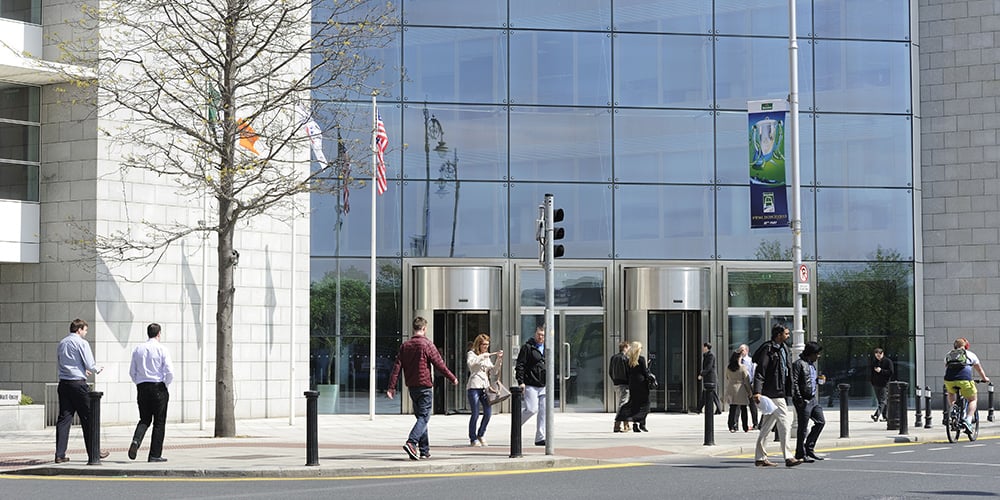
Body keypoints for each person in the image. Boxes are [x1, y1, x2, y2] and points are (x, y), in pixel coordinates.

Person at [387, 316, 459, 460]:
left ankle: (424, 451)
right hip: (425, 385)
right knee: (424, 417)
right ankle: (412, 442)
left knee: (421, 417)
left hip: (412, 387)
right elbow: (440, 364)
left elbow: (397, 367)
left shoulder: (405, 346)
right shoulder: (427, 345)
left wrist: (391, 387)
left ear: (414, 328)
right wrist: (452, 378)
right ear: (424, 329)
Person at [54, 318, 109, 463]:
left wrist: (81, 370)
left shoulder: (62, 343)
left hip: (64, 383)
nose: (85, 333)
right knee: (88, 418)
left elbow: (63, 363)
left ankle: (60, 454)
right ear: (79, 330)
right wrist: (97, 369)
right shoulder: (82, 343)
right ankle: (94, 452)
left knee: (64, 419)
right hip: (78, 385)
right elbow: (90, 363)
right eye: (85, 330)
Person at [751, 324, 800, 468]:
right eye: (786, 333)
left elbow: (786, 370)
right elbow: (761, 371)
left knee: (766, 426)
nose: (788, 335)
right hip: (773, 392)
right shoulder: (769, 349)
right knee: (785, 422)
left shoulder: (783, 348)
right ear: (778, 335)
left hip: (779, 391)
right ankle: (789, 457)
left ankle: (760, 458)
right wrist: (757, 391)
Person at [128, 323, 175, 463]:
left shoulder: (138, 349)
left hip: (142, 387)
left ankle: (136, 440)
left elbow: (132, 372)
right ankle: (154, 454)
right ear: (159, 333)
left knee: (144, 419)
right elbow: (169, 371)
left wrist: (139, 383)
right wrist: (165, 385)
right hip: (158, 386)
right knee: (159, 422)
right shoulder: (162, 349)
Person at [944, 337, 990, 432]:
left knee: (951, 393)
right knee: (972, 399)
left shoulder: (949, 355)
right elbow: (979, 369)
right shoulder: (970, 355)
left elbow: (946, 366)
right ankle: (968, 420)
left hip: (949, 380)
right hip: (964, 380)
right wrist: (984, 379)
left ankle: (953, 409)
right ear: (966, 346)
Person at [791, 341, 826, 463]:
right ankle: (800, 453)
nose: (818, 356)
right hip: (804, 400)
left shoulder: (812, 365)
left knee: (820, 421)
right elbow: (794, 382)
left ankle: (809, 448)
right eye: (817, 354)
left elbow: (809, 380)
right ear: (811, 353)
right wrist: (799, 398)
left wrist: (818, 380)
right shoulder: (799, 364)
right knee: (803, 428)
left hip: (812, 399)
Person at [466, 333, 502, 447]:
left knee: (488, 412)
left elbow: (494, 371)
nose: (486, 347)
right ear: (479, 345)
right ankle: (473, 438)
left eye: (487, 344)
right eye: (484, 344)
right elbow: (471, 365)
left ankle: (481, 434)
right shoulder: (472, 354)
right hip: (474, 386)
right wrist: (482, 356)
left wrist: (498, 360)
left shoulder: (487, 356)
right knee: (475, 413)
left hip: (485, 387)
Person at [515, 325, 547, 446]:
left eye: (543, 335)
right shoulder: (527, 347)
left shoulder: (547, 348)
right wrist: (521, 381)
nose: (541, 337)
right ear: (535, 334)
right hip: (531, 384)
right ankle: (516, 425)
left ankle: (540, 437)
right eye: (539, 334)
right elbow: (520, 365)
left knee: (543, 411)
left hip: (543, 384)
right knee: (532, 409)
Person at [614, 341, 651, 432]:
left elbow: (627, 373)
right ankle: (641, 423)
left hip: (633, 384)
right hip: (641, 383)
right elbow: (644, 372)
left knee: (634, 403)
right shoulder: (641, 359)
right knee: (645, 404)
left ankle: (635, 424)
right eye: (641, 348)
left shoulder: (628, 360)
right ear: (638, 349)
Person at [724, 349, 753, 433]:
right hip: (741, 388)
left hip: (731, 388)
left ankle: (731, 425)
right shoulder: (743, 367)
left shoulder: (728, 367)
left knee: (732, 408)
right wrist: (749, 391)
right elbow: (746, 380)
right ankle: (745, 426)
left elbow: (727, 377)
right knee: (743, 408)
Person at [609, 341, 631, 433]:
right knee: (622, 404)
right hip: (624, 384)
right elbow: (628, 372)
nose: (629, 349)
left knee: (624, 403)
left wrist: (614, 380)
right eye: (629, 347)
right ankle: (617, 424)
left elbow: (610, 371)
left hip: (616, 383)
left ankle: (626, 424)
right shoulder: (625, 358)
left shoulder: (613, 357)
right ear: (625, 347)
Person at [869, 347, 894, 422]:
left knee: (883, 400)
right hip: (876, 384)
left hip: (884, 383)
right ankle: (886, 416)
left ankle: (876, 415)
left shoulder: (888, 361)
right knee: (881, 401)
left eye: (879, 356)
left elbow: (891, 372)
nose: (878, 357)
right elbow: (872, 373)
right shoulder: (874, 362)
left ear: (882, 354)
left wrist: (881, 371)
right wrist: (872, 381)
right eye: (876, 356)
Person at [697, 342, 722, 415]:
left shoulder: (711, 356)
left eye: (703, 347)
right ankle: (699, 408)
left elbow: (709, 367)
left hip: (711, 378)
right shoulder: (706, 355)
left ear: (706, 347)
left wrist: (701, 374)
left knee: (712, 394)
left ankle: (700, 408)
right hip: (707, 377)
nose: (702, 348)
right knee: (706, 393)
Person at [740, 344, 759, 430]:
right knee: (740, 405)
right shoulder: (738, 362)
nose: (741, 352)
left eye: (742, 350)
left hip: (749, 384)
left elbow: (753, 372)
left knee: (752, 405)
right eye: (740, 350)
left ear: (746, 351)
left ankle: (755, 423)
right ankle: (738, 424)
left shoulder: (750, 361)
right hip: (740, 385)